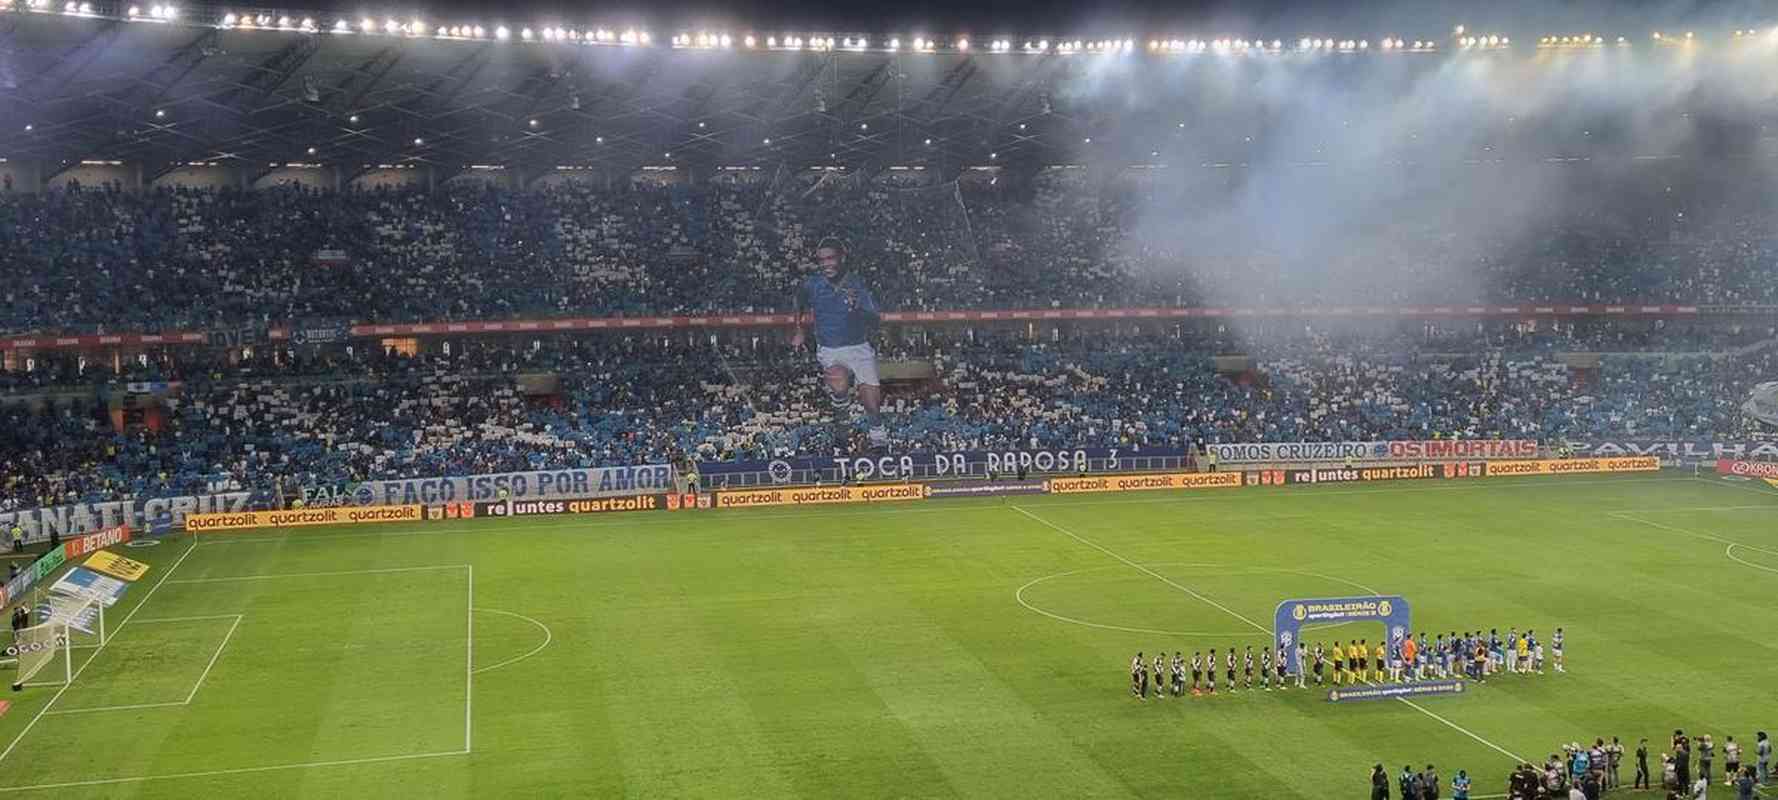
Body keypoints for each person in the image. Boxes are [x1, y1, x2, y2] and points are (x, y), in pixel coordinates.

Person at [789, 237, 887, 448]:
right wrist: (799, 330)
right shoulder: (812, 284)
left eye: (830, 258)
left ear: (842, 257)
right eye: (821, 260)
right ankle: (842, 425)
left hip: (858, 347)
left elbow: (875, 319)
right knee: (839, 385)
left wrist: (857, 307)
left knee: (870, 400)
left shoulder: (857, 285)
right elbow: (798, 300)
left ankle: (878, 436)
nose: (825, 264)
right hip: (829, 349)